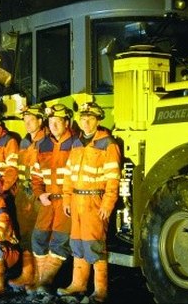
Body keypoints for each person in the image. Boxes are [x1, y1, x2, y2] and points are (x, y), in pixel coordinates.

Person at [58, 102, 121, 304]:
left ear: (98, 120)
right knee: (77, 243)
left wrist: (107, 204)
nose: (85, 122)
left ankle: (100, 290)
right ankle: (78, 284)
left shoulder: (107, 144)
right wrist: (67, 198)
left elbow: (113, 178)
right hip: (76, 200)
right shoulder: (76, 144)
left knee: (94, 244)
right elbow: (68, 175)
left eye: (90, 118)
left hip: (95, 200)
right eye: (83, 118)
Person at [30, 103, 76, 294]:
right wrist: (39, 194)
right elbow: (36, 175)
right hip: (48, 201)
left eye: (58, 121)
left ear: (67, 122)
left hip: (67, 201)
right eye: (51, 121)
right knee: (38, 238)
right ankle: (40, 280)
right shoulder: (43, 145)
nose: (54, 125)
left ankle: (46, 281)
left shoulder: (76, 144)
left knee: (60, 240)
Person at [8, 104, 47, 292]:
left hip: (38, 195)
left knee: (39, 236)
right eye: (25, 120)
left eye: (31, 120)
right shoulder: (24, 142)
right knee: (25, 235)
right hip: (23, 194)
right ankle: (27, 273)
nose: (28, 124)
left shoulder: (46, 141)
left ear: (40, 120)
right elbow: (18, 168)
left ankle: (40, 278)